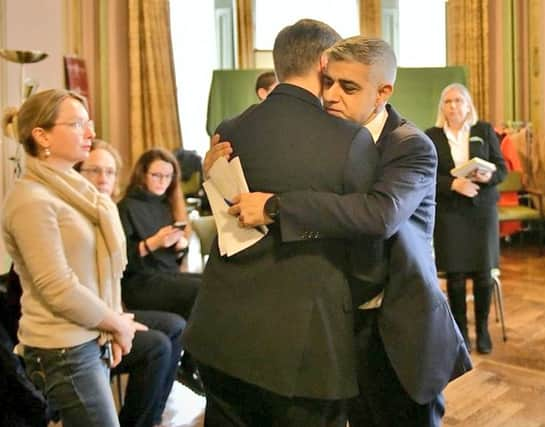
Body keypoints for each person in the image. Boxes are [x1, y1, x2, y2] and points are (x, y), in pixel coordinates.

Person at [214, 36, 472, 427]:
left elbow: (379, 215)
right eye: (328, 82)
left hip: (397, 328)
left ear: (383, 91)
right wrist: (214, 169)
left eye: (348, 87)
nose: (331, 95)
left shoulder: (411, 145)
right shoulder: (325, 138)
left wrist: (275, 206)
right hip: (338, 325)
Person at [183, 19, 378, 427]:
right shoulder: (350, 140)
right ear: (326, 62)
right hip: (304, 346)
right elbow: (367, 253)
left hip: (221, 332)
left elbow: (222, 215)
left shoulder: (228, 131)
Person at [1, 89, 146, 426]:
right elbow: (57, 286)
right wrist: (117, 323)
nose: (91, 134)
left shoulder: (76, 190)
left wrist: (114, 320)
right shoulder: (31, 200)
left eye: (89, 123)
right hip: (63, 348)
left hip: (86, 338)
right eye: (78, 124)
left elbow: (93, 272)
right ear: (42, 135)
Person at [76, 140, 185, 427]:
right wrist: (116, 321)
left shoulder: (106, 213)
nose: (104, 179)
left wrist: (178, 247)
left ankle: (153, 415)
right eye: (94, 171)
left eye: (110, 173)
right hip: (83, 321)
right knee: (158, 345)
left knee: (176, 326)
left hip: (108, 309)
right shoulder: (88, 216)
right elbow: (76, 288)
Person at [425, 83, 507, 354]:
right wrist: (453, 184)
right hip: (451, 214)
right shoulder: (432, 136)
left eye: (459, 101)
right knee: (456, 277)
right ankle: (461, 332)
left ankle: (482, 330)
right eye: (448, 101)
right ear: (442, 107)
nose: (453, 106)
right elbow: (426, 177)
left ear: (468, 105)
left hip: (481, 211)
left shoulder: (483, 130)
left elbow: (502, 169)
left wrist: (488, 175)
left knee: (484, 275)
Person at [117, 148, 203, 393]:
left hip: (164, 276)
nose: (162, 182)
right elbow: (120, 261)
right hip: (139, 283)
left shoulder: (166, 207)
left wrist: (180, 248)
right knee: (199, 290)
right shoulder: (125, 207)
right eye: (157, 175)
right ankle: (188, 362)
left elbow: (170, 261)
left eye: (168, 177)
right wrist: (151, 243)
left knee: (215, 283)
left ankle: (190, 360)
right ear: (142, 174)